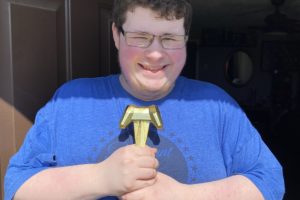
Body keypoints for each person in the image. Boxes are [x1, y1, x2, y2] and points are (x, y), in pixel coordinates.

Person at [4, 0, 285, 199]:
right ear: (116, 34)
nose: (155, 54)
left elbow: (270, 182)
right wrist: (101, 178)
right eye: (140, 36)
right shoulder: (68, 102)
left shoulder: (217, 106)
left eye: (169, 38)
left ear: (185, 39)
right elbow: (17, 186)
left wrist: (182, 196)